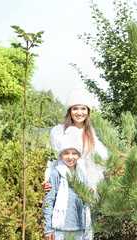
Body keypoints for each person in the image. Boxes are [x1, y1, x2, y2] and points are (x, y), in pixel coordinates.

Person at [42, 88, 108, 239]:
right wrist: (47, 179)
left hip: (85, 188)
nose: (79, 112)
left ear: (88, 111)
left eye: (83, 108)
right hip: (63, 183)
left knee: (83, 227)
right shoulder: (58, 131)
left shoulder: (90, 132)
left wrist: (93, 186)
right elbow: (52, 158)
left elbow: (101, 160)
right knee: (62, 227)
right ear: (69, 110)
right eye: (75, 108)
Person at [43, 126, 90, 240]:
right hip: (60, 229)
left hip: (79, 227)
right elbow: (48, 202)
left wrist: (89, 193)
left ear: (78, 155)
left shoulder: (82, 174)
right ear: (61, 155)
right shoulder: (56, 174)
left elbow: (86, 201)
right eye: (66, 153)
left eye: (74, 153)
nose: (70, 157)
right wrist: (48, 229)